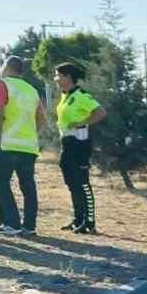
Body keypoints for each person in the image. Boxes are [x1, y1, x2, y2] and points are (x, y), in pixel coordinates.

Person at [0, 56, 47, 234]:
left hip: (7, 143)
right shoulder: (32, 90)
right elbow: (42, 120)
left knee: (1, 183)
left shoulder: (2, 84)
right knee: (28, 186)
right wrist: (33, 135)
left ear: (6, 67)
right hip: (29, 146)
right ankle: (29, 226)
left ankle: (12, 223)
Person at [55, 62, 105, 233]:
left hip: (80, 144)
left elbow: (100, 112)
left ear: (68, 77)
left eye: (59, 76)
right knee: (72, 183)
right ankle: (78, 220)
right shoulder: (65, 96)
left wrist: (81, 123)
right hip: (67, 143)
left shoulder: (81, 95)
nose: (56, 79)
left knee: (82, 183)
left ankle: (90, 223)